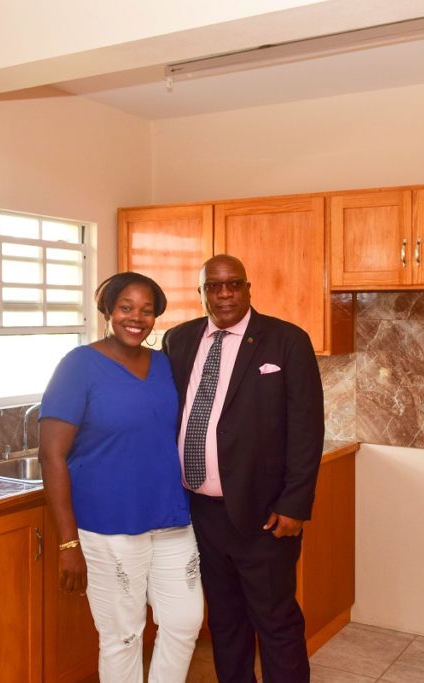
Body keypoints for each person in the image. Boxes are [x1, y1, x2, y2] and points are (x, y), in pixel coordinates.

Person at [163, 254, 325, 682]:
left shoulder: (286, 340)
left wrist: (294, 504)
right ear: (201, 293)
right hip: (199, 512)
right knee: (225, 621)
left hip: (264, 513)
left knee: (275, 621)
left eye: (233, 284)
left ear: (248, 288)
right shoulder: (178, 340)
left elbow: (307, 427)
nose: (224, 294)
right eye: (213, 286)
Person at [39, 272, 203, 683]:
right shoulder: (78, 366)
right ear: (108, 311)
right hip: (108, 526)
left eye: (146, 310)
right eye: (126, 308)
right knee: (123, 636)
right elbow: (51, 455)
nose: (136, 318)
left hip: (171, 517)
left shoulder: (164, 364)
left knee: (184, 622)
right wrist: (68, 543)